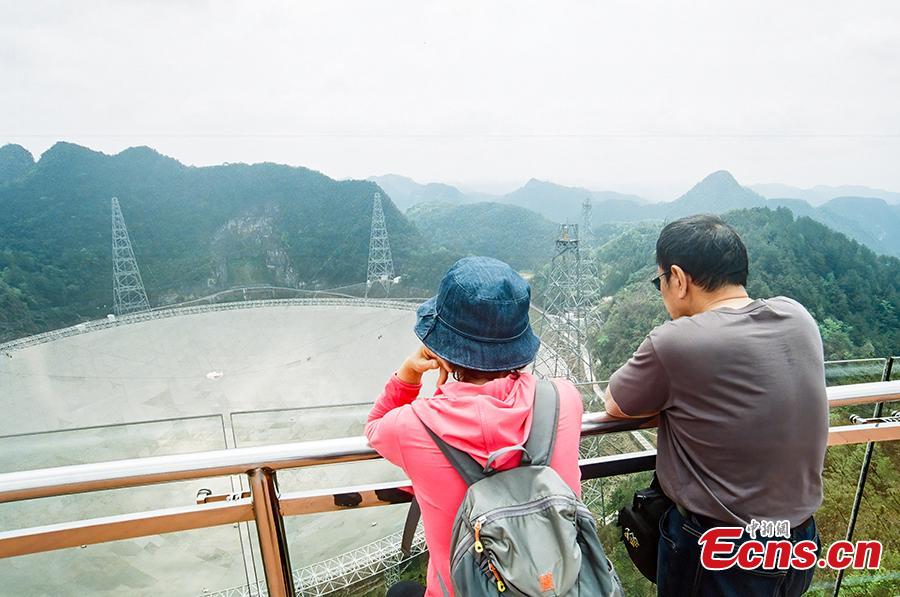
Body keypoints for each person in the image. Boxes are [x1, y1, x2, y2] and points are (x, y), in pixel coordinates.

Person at [605, 214, 828, 596]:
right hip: (799, 539)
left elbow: (616, 404)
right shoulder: (797, 316)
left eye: (659, 281)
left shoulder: (676, 342)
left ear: (678, 278)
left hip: (721, 551)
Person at [366, 256, 585, 597]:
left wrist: (409, 375)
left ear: (443, 351)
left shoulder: (413, 426)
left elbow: (375, 426)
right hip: (556, 585)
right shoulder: (563, 400)